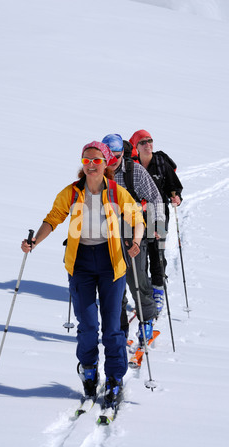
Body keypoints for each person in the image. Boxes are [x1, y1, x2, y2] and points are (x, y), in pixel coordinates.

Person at [21, 141, 145, 409]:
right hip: (81, 266)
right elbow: (53, 218)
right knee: (88, 326)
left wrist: (135, 240)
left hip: (112, 264)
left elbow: (137, 218)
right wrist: (34, 242)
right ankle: (89, 370)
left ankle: (114, 378)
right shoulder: (72, 192)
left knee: (112, 328)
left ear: (105, 164)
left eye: (96, 161)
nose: (91, 165)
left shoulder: (116, 192)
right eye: (86, 160)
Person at [102, 134, 166, 345]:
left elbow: (156, 197)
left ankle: (146, 321)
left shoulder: (134, 171)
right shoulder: (97, 171)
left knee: (137, 279)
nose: (112, 162)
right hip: (107, 237)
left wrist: (157, 226)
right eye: (108, 157)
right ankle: (119, 329)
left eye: (117, 156)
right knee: (113, 285)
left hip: (133, 234)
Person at [129, 130, 183, 314]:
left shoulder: (160, 162)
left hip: (158, 214)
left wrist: (176, 196)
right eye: (143, 142)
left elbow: (173, 185)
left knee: (157, 251)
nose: (148, 144)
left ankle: (158, 288)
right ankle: (144, 294)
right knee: (140, 253)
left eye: (150, 141)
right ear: (136, 146)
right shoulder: (132, 166)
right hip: (136, 216)